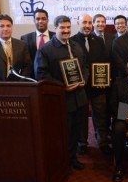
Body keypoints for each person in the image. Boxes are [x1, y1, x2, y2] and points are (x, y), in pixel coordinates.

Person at [35, 15, 88, 171]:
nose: (66, 31)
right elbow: (41, 75)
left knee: (76, 132)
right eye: (62, 28)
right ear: (55, 28)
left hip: (80, 98)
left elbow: (85, 66)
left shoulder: (77, 46)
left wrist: (84, 78)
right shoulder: (45, 50)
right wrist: (62, 87)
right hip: (61, 99)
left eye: (68, 27)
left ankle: (72, 159)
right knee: (63, 132)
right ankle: (62, 162)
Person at [71, 14, 111, 155]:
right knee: (81, 116)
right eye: (84, 22)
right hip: (80, 87)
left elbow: (103, 61)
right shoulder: (72, 41)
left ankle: (103, 141)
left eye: (89, 23)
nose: (87, 25)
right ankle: (82, 142)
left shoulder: (99, 41)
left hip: (98, 86)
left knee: (100, 115)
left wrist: (103, 80)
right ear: (78, 23)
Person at [0, 14, 33, 81]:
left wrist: (20, 83)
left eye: (8, 26)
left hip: (19, 86)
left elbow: (27, 66)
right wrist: (3, 88)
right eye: (2, 26)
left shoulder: (22, 45)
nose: (5, 29)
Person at [20, 9, 55, 76]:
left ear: (48, 20)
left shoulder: (55, 37)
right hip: (32, 78)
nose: (40, 21)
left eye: (43, 19)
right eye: (38, 19)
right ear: (34, 21)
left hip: (52, 77)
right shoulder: (25, 38)